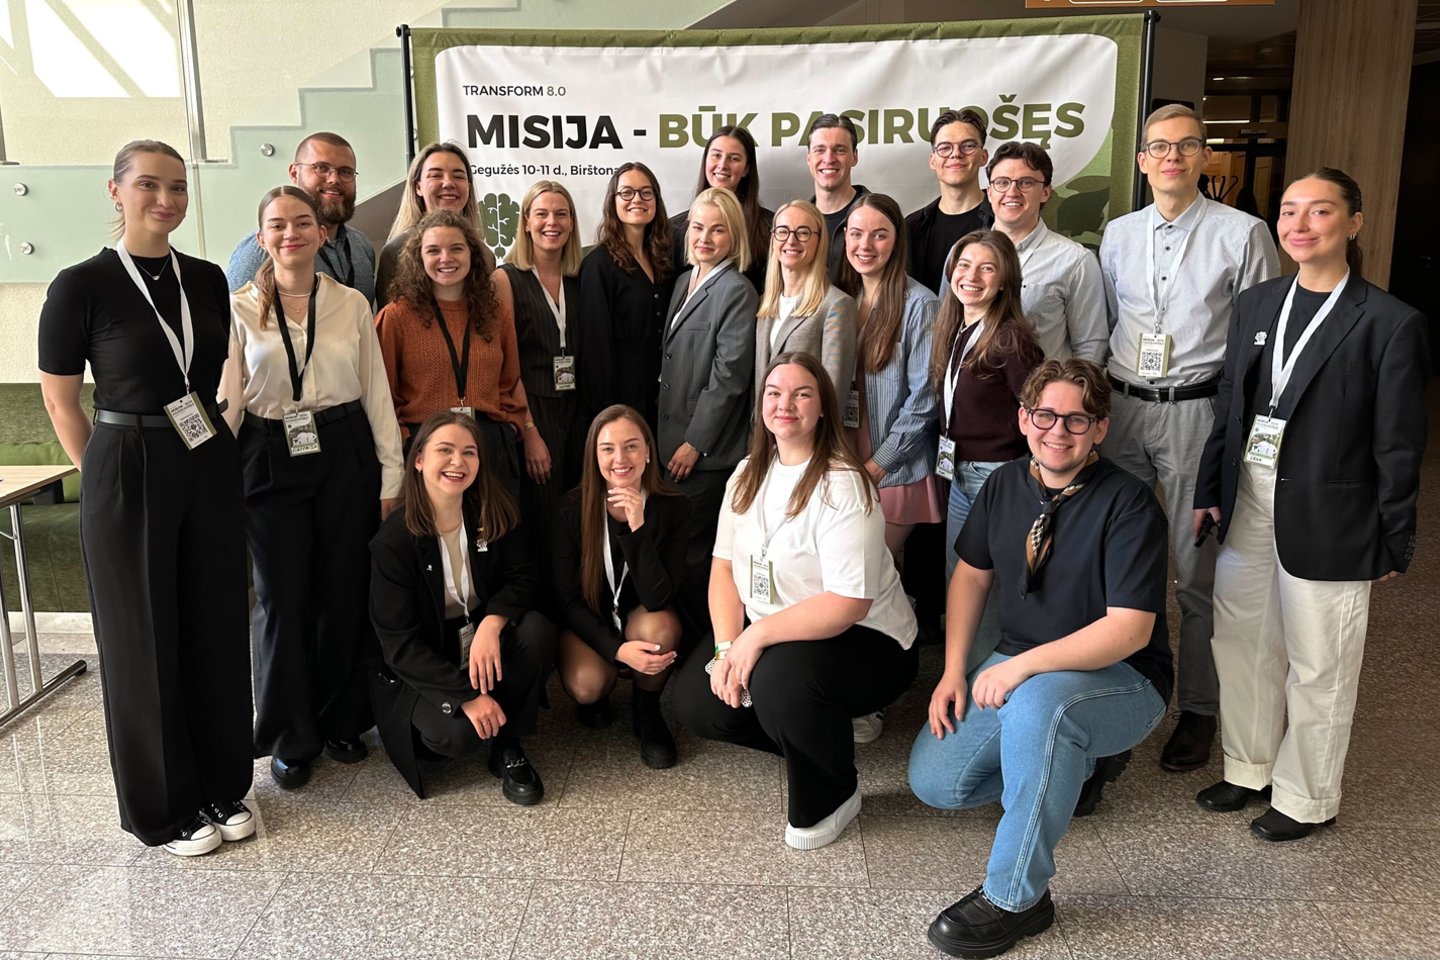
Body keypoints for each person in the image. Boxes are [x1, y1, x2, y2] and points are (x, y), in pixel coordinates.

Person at [1193, 168, 1429, 841]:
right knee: (1241, 639)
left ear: (1354, 223)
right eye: (1290, 210)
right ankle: (1248, 766)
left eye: (1319, 211)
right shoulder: (1258, 303)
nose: (1299, 224)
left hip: (1333, 511)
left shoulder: (1389, 322)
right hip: (1249, 492)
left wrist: (1394, 536)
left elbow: (1399, 443)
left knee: (1321, 659)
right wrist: (1209, 489)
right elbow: (1231, 404)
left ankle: (1306, 797)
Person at [909, 359, 1172, 959]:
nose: (1059, 431)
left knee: (1038, 709)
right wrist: (953, 671)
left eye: (1077, 419)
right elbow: (971, 577)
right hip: (1019, 662)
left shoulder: (1130, 503)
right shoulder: (1004, 483)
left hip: (1123, 677)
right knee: (937, 783)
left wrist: (1022, 668)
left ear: (1100, 428)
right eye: (1046, 415)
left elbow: (1130, 630)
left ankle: (1016, 899)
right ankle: (1075, 761)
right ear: (1024, 418)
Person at [38, 140, 253, 857]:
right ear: (116, 191)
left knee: (215, 624)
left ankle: (222, 783)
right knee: (143, 639)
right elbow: (61, 400)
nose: (166, 200)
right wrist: (103, 476)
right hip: (127, 459)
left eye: (178, 187)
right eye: (150, 185)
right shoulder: (81, 285)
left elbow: (217, 371)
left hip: (205, 453)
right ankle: (164, 808)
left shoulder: (207, 279)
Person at [1099, 104, 1280, 773]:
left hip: (1197, 413)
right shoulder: (1118, 234)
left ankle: (1199, 708)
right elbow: (1111, 320)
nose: (1171, 156)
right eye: (1159, 146)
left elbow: (1261, 338)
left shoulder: (1243, 233)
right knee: (1115, 559)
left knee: (1196, 571)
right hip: (1123, 408)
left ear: (1205, 156)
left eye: (1186, 145)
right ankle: (1120, 692)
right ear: (1142, 160)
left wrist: (1240, 428)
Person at [676, 352, 919, 850]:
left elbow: (848, 603)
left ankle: (835, 792)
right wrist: (727, 647)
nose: (785, 404)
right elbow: (723, 568)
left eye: (802, 394)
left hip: (868, 638)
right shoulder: (747, 472)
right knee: (699, 703)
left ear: (823, 407)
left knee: (777, 683)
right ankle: (819, 735)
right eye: (774, 393)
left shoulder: (843, 483)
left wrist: (755, 639)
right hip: (779, 632)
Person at [226, 185, 405, 790]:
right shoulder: (239, 308)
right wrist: (214, 478)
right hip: (268, 453)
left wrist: (391, 473)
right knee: (281, 598)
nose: (291, 234)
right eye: (277, 225)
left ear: (322, 233)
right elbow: (230, 400)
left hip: (343, 447)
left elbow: (375, 389)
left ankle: (339, 719)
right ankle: (288, 734)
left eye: (302, 222)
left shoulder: (350, 303)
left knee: (341, 590)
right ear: (261, 238)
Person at [369, 411, 557, 804]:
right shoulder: (394, 542)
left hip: (479, 639)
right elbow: (399, 645)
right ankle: (472, 711)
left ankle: (508, 745)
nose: (458, 461)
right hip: (426, 658)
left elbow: (523, 577)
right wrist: (465, 696)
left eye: (469, 452)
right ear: (419, 460)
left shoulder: (491, 510)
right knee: (456, 737)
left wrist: (492, 623)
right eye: (445, 450)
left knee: (536, 629)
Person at [835, 193, 941, 745]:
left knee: (872, 575)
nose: (865, 245)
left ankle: (873, 697)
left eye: (879, 234)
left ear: (896, 240)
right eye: (856, 234)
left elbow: (925, 398)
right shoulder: (841, 296)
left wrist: (878, 463)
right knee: (867, 576)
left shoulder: (919, 304)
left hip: (893, 466)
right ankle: (862, 683)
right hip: (844, 460)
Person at [553, 405, 692, 767]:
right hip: (590, 622)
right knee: (586, 685)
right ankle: (602, 691)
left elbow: (658, 598)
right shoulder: (571, 508)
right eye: (608, 449)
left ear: (648, 452)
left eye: (631, 446)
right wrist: (617, 650)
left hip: (641, 617)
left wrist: (637, 528)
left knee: (660, 626)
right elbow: (567, 601)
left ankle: (646, 709)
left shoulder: (673, 507)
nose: (620, 459)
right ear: (594, 456)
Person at [374, 209, 537, 498]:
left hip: (489, 445)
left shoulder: (496, 314)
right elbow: (382, 396)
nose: (446, 258)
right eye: (433, 250)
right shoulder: (396, 317)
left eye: (456, 248)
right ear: (418, 258)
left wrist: (510, 429)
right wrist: (408, 442)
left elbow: (510, 382)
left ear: (472, 254)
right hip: (428, 448)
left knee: (494, 527)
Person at [658, 187, 760, 637]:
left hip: (703, 454)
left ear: (734, 237)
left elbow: (729, 378)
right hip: (671, 445)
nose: (704, 237)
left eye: (718, 230)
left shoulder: (736, 290)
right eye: (698, 227)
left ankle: (709, 647)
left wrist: (694, 443)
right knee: (679, 552)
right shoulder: (685, 281)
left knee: (697, 560)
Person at [932, 231, 1044, 582]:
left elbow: (1040, 413)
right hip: (959, 470)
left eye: (987, 268)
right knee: (960, 577)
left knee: (989, 582)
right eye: (964, 265)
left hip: (995, 475)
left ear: (1005, 281)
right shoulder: (957, 328)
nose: (972, 276)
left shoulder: (1011, 339)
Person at [499, 181, 586, 568]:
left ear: (572, 222)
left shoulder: (580, 278)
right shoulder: (506, 279)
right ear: (526, 222)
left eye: (561, 214)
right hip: (533, 411)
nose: (553, 222)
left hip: (577, 412)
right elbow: (504, 366)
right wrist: (529, 431)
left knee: (577, 515)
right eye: (542, 214)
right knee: (543, 520)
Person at [985, 141, 1107, 362]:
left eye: (1026, 183)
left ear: (1045, 193)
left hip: (1041, 384)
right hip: (973, 384)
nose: (1012, 192)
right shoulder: (963, 254)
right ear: (990, 192)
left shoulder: (1075, 261)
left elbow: (1090, 347)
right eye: (1002, 182)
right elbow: (950, 330)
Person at [226, 132, 376, 303]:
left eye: (345, 172)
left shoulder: (362, 246)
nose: (334, 179)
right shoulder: (263, 249)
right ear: (294, 173)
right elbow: (231, 314)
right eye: (321, 168)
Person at [579, 162, 675, 425]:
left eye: (646, 192)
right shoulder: (598, 265)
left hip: (664, 396)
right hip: (621, 397)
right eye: (627, 192)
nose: (637, 200)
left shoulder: (664, 259)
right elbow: (595, 350)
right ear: (613, 201)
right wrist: (606, 415)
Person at [754, 200, 858, 395]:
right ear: (773, 238)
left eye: (803, 233)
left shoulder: (837, 305)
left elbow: (834, 391)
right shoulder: (764, 304)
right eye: (782, 231)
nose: (791, 241)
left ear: (819, 241)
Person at [376, 141, 493, 307]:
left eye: (458, 176)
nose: (448, 183)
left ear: (468, 187)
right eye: (436, 175)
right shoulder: (396, 251)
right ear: (418, 187)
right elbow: (389, 319)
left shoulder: (485, 254)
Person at [669, 125, 774, 294]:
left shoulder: (770, 229)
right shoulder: (675, 229)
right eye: (716, 155)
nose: (722, 165)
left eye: (734, 158)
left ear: (746, 168)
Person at [905, 109, 993, 295]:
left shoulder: (1002, 222)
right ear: (932, 160)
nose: (956, 154)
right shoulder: (910, 228)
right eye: (945, 147)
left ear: (983, 157)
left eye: (967, 146)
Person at [805, 113, 870, 281]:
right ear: (809, 158)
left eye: (839, 150)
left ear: (854, 156)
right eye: (820, 150)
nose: (828, 159)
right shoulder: (797, 222)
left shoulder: (880, 217)